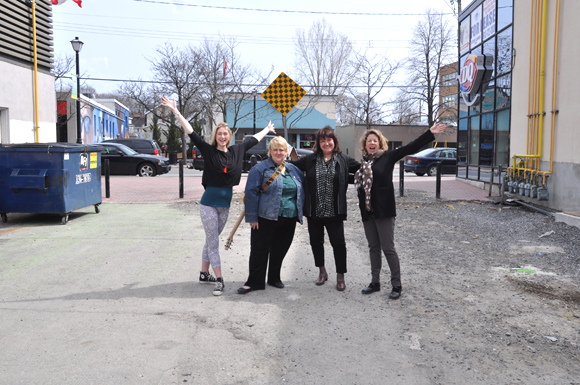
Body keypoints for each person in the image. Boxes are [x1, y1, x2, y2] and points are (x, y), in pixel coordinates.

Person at [160, 96, 275, 296]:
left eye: (225, 134)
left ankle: (204, 273)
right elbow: (190, 131)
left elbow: (253, 139)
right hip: (208, 204)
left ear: (229, 136)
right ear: (216, 136)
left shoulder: (237, 150)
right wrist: (175, 111)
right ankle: (220, 279)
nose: (222, 137)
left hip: (225, 206)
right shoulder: (209, 151)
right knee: (214, 242)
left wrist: (267, 129)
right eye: (220, 134)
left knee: (211, 239)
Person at [355, 123, 447, 299]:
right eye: (369, 141)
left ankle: (396, 285)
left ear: (380, 143)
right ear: (365, 145)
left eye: (375, 140)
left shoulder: (388, 157)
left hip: (384, 211)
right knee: (373, 247)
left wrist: (429, 133)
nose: (372, 143)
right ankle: (375, 282)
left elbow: (411, 147)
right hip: (368, 212)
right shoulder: (364, 162)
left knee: (388, 248)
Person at [291, 126, 360, 291]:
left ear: (334, 141)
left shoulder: (344, 159)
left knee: (338, 243)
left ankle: (340, 275)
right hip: (314, 211)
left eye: (329, 140)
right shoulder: (310, 159)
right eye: (322, 140)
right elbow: (291, 165)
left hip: (335, 211)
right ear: (319, 143)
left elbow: (362, 170)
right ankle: (322, 271)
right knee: (316, 242)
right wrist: (278, 154)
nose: (326, 143)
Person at [237, 137, 305, 294]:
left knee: (280, 249)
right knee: (259, 250)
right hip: (265, 216)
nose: (278, 153)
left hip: (289, 216)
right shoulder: (259, 169)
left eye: (281, 150)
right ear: (270, 152)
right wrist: (252, 217)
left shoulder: (293, 170)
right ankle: (254, 281)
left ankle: (274, 278)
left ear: (286, 152)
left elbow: (302, 187)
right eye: (275, 150)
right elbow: (251, 193)